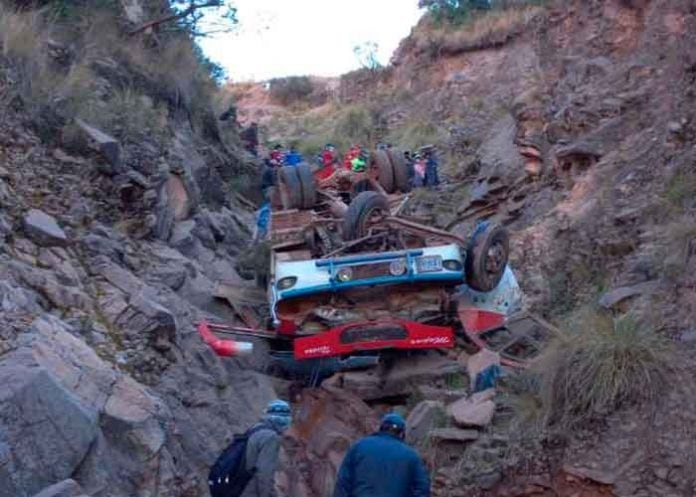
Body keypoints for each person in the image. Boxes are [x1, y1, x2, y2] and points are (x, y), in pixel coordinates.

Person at [333, 413, 430, 497]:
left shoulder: (359, 446)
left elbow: (343, 483)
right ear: (402, 433)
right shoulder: (412, 456)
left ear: (381, 428)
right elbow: (422, 487)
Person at [241, 399, 293, 497]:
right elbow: (264, 473)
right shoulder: (271, 438)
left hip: (241, 487)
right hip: (251, 491)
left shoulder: (257, 428)